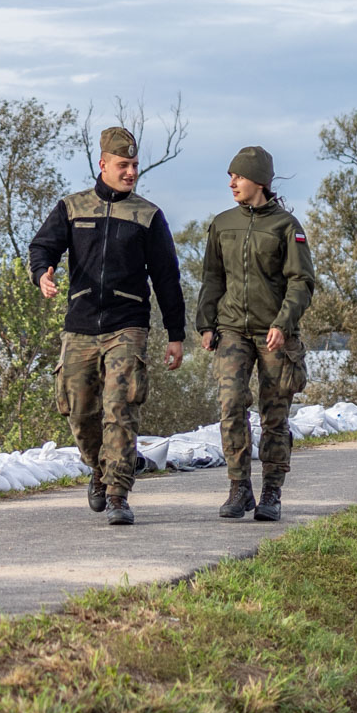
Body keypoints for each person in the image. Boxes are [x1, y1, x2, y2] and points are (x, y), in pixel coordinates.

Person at [28, 126, 185, 525]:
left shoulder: (148, 216)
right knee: (78, 411)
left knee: (120, 407)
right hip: (79, 326)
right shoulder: (72, 207)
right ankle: (99, 470)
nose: (131, 172)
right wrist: (41, 273)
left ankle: (118, 493)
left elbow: (167, 277)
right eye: (123, 165)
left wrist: (176, 334)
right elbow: (43, 246)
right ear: (103, 165)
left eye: (134, 165)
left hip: (127, 326)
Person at [197, 146, 316, 521]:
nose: (232, 183)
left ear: (260, 182)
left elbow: (302, 281)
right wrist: (206, 324)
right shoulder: (222, 223)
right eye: (231, 176)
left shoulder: (286, 226)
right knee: (231, 405)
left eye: (240, 176)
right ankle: (238, 488)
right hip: (232, 330)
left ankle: (271, 492)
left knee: (274, 415)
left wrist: (283, 323)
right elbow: (213, 277)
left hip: (274, 334)